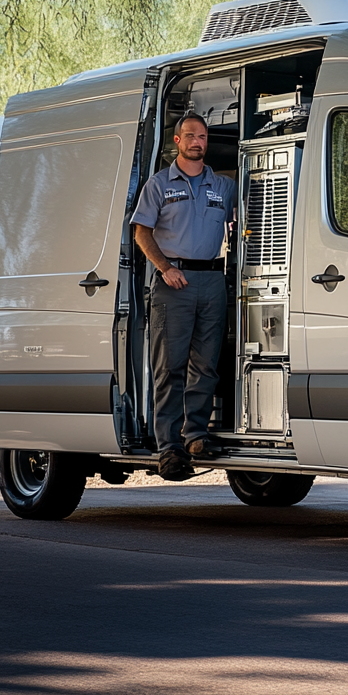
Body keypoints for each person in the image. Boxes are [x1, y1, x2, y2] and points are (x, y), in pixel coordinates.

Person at [132, 112, 236, 481]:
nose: (197, 141)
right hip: (173, 282)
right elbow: (141, 234)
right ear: (177, 141)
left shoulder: (222, 187)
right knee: (170, 367)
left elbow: (246, 219)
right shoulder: (159, 184)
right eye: (190, 135)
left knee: (206, 364)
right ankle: (169, 448)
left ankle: (196, 436)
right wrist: (165, 267)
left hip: (210, 281)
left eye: (203, 136)